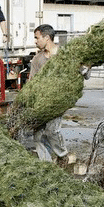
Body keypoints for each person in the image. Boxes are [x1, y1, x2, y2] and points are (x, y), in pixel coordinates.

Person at [29, 24, 68, 162]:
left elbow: (81, 73)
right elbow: (32, 81)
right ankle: (46, 163)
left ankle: (62, 155)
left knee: (52, 131)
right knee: (38, 133)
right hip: (41, 100)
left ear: (46, 38)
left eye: (37, 37)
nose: (35, 41)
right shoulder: (37, 59)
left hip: (58, 100)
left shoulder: (63, 55)